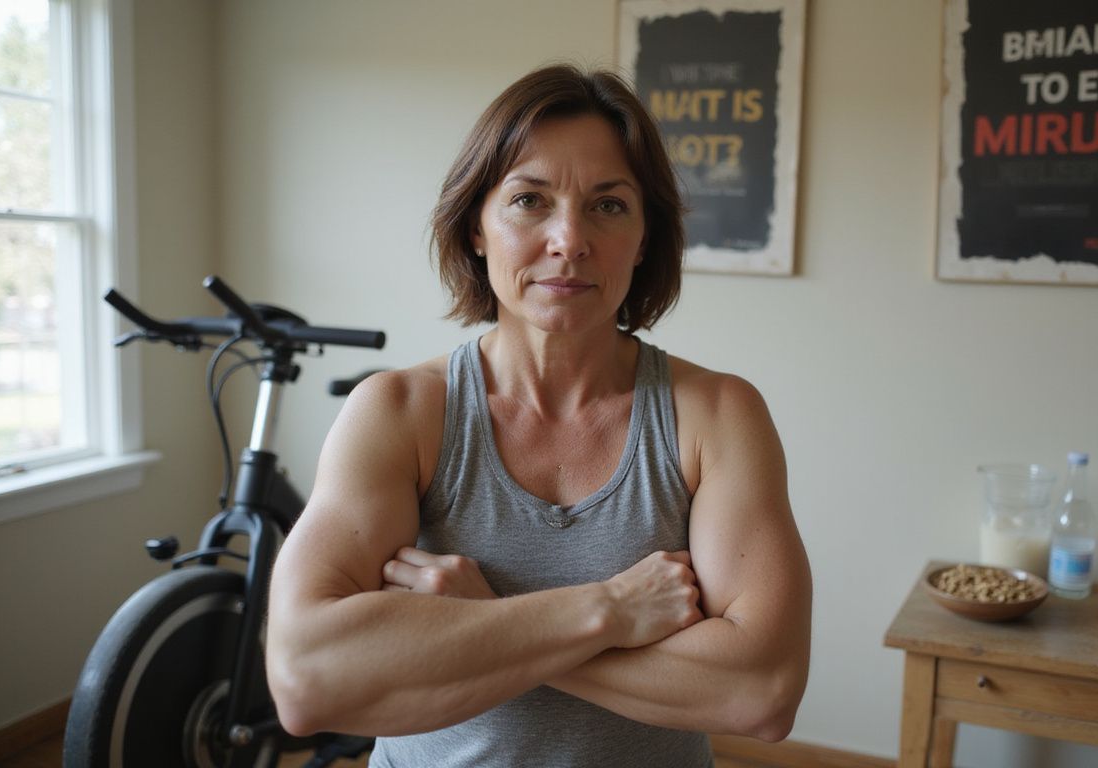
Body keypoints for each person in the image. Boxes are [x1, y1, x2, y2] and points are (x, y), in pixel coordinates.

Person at [266, 64, 812, 768]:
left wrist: (482, 619)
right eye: (530, 201)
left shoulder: (716, 415)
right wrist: (611, 611)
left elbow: (761, 693)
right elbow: (308, 680)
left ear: (644, 238)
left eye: (609, 206)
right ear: (476, 229)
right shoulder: (400, 412)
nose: (569, 239)